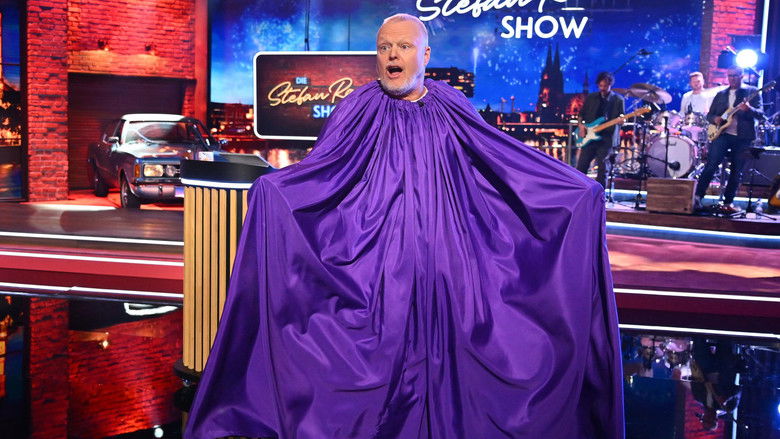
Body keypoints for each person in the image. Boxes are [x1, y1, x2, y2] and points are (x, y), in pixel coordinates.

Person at [185, 13, 623, 439]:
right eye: (384, 48)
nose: (392, 55)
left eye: (404, 46)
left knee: (472, 341)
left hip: (449, 257)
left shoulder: (452, 105)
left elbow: (498, 158)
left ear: (425, 55)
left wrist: (577, 190)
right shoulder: (356, 108)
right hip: (374, 260)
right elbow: (324, 173)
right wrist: (274, 190)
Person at [694, 66, 764, 213]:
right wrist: (715, 119)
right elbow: (709, 115)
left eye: (735, 75)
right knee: (711, 165)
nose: (732, 78)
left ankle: (728, 202)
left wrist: (749, 109)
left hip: (743, 137)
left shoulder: (751, 92)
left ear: (742, 76)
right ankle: (697, 197)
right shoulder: (721, 94)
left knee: (736, 170)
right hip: (722, 135)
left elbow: (760, 114)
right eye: (730, 75)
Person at [576, 71, 625, 188]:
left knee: (603, 170)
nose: (602, 89)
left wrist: (621, 121)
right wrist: (581, 126)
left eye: (605, 86)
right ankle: (579, 192)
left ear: (610, 85)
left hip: (606, 140)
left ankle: (600, 195)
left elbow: (622, 118)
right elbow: (581, 115)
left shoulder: (618, 100)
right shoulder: (591, 98)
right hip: (589, 138)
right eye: (600, 86)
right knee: (581, 168)